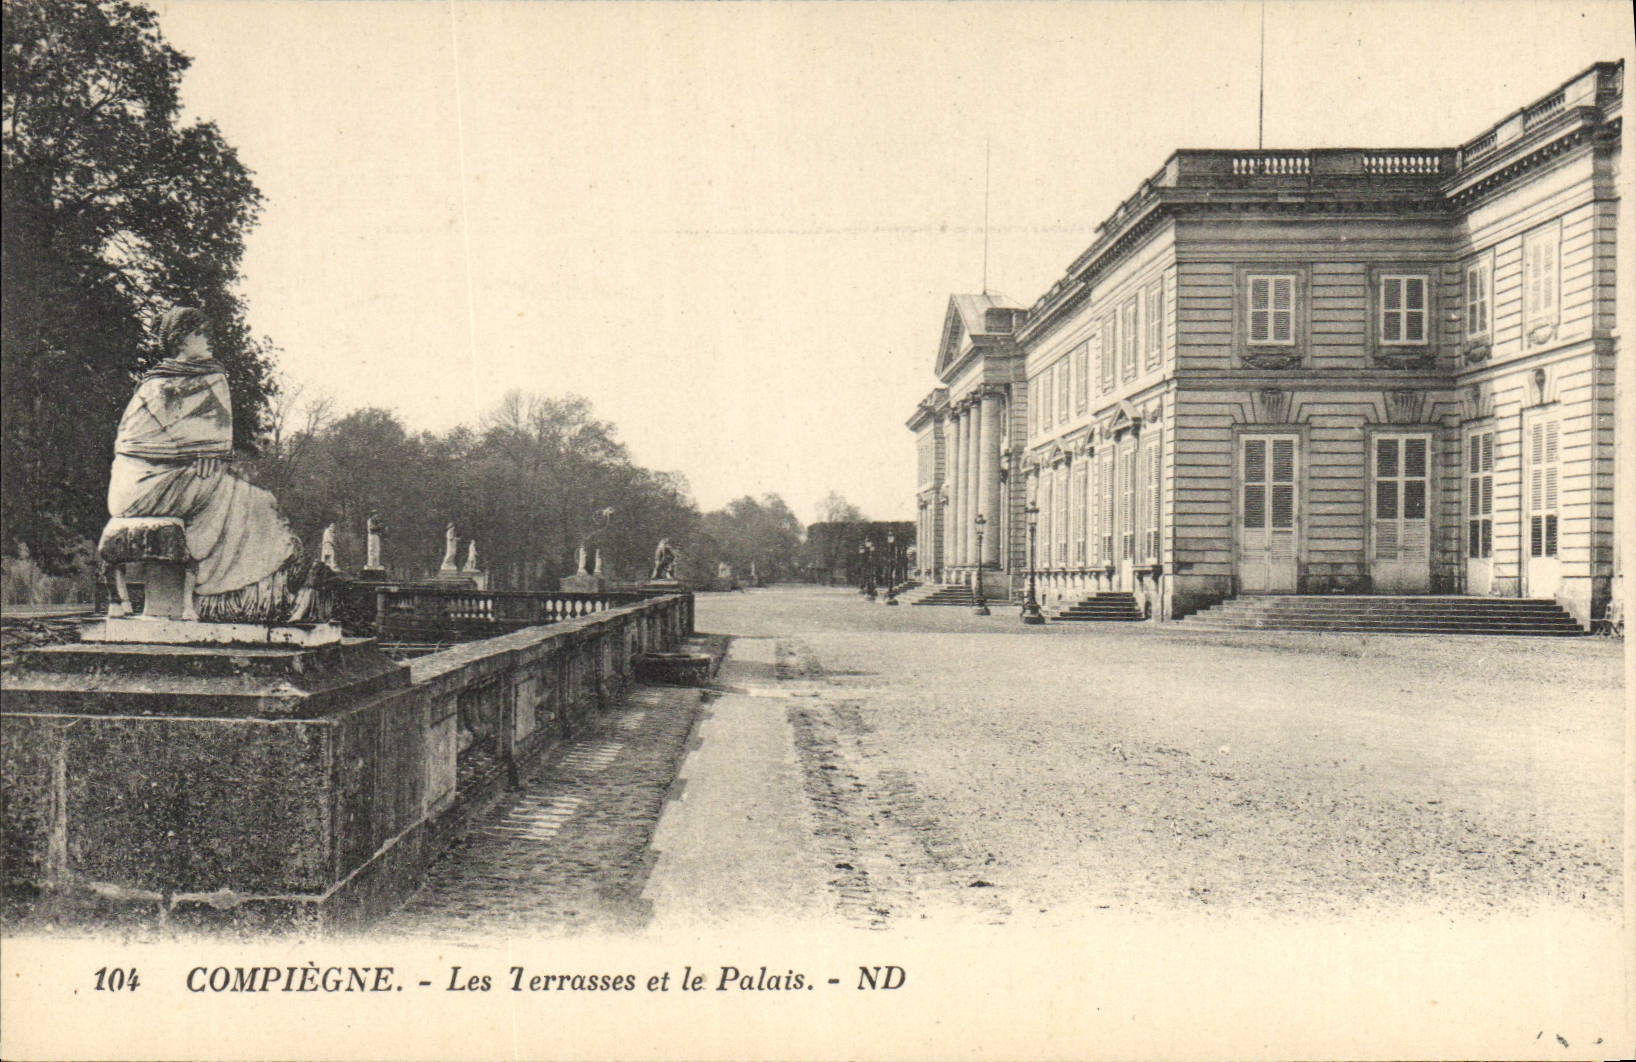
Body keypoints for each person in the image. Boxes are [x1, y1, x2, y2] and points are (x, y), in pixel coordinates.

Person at [102, 306, 312, 622]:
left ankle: (248, 595)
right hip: (139, 483)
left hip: (181, 476)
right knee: (251, 499)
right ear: (180, 339)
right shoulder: (154, 385)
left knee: (246, 495)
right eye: (200, 333)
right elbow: (131, 443)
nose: (208, 339)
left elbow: (217, 440)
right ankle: (234, 596)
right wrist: (196, 454)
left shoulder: (212, 379)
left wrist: (205, 454)